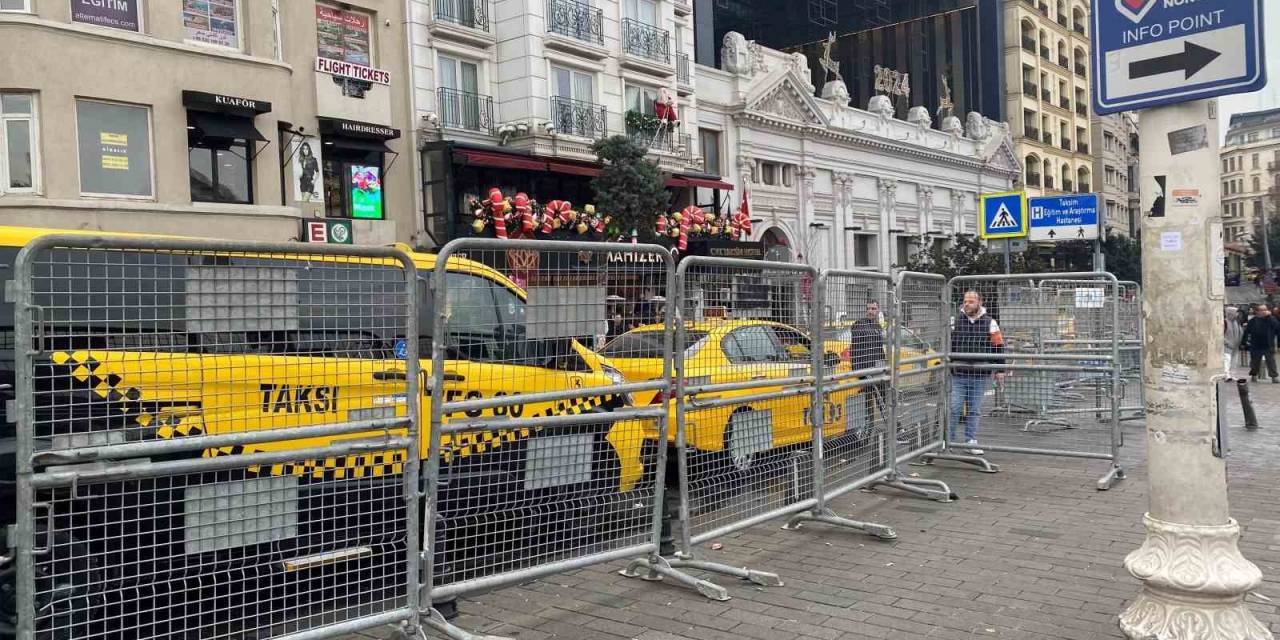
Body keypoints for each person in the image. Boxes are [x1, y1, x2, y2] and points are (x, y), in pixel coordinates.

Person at [950, 291, 1006, 455]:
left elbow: (998, 347)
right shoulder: (955, 322)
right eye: (965, 301)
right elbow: (948, 344)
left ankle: (971, 440)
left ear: (980, 302)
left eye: (971, 301)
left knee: (974, 410)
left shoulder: (990, 323)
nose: (967, 304)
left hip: (980, 374)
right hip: (959, 373)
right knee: (954, 408)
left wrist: (1000, 369)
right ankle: (949, 440)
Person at [848, 300, 890, 438]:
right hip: (864, 370)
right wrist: (858, 371)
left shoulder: (877, 326)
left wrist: (883, 367)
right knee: (867, 403)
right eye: (869, 308)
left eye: (873, 308)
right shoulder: (859, 325)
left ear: (878, 310)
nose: (871, 311)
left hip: (877, 369)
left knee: (884, 399)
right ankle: (866, 433)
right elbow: (855, 349)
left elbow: (879, 349)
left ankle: (894, 428)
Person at [1241, 304, 1279, 383]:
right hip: (1256, 345)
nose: (1264, 311)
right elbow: (1246, 332)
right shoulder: (1252, 321)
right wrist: (1243, 343)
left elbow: (1278, 327)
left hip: (1268, 345)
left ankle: (1274, 377)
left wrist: (1270, 317)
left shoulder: (1271, 320)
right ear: (1257, 311)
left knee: (1271, 362)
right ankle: (1254, 375)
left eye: (1265, 310)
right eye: (1262, 310)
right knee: (1255, 362)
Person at [1223, 307, 1244, 381]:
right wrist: (1226, 342)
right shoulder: (1225, 322)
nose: (1237, 314)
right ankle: (1227, 375)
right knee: (1227, 360)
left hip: (1236, 345)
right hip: (1227, 346)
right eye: (1236, 312)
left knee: (1234, 361)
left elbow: (1240, 332)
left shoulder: (1237, 322)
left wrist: (1240, 342)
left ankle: (1232, 374)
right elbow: (1220, 334)